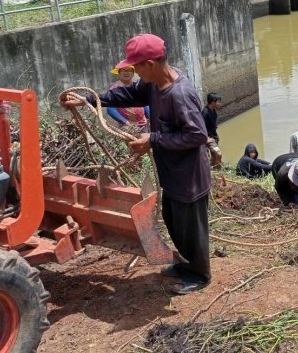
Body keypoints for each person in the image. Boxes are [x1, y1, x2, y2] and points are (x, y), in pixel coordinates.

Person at [59, 33, 211, 295]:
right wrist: (90, 101)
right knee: (173, 220)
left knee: (190, 227)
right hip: (171, 171)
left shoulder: (180, 94)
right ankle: (186, 265)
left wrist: (152, 139)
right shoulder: (152, 84)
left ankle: (200, 274)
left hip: (189, 176)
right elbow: (128, 94)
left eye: (135, 66)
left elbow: (196, 135)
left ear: (150, 64)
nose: (132, 71)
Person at [106, 66, 149, 130]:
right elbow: (110, 109)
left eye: (129, 70)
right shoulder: (114, 89)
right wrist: (126, 122)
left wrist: (149, 117)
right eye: (124, 70)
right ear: (119, 72)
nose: (127, 73)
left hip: (144, 124)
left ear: (133, 72)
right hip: (128, 128)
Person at [201, 92, 223, 168]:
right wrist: (206, 138)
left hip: (214, 136)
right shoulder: (205, 113)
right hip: (209, 138)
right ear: (213, 102)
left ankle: (213, 170)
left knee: (214, 156)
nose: (219, 104)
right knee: (218, 154)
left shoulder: (213, 110)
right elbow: (201, 126)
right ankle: (219, 171)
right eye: (218, 102)